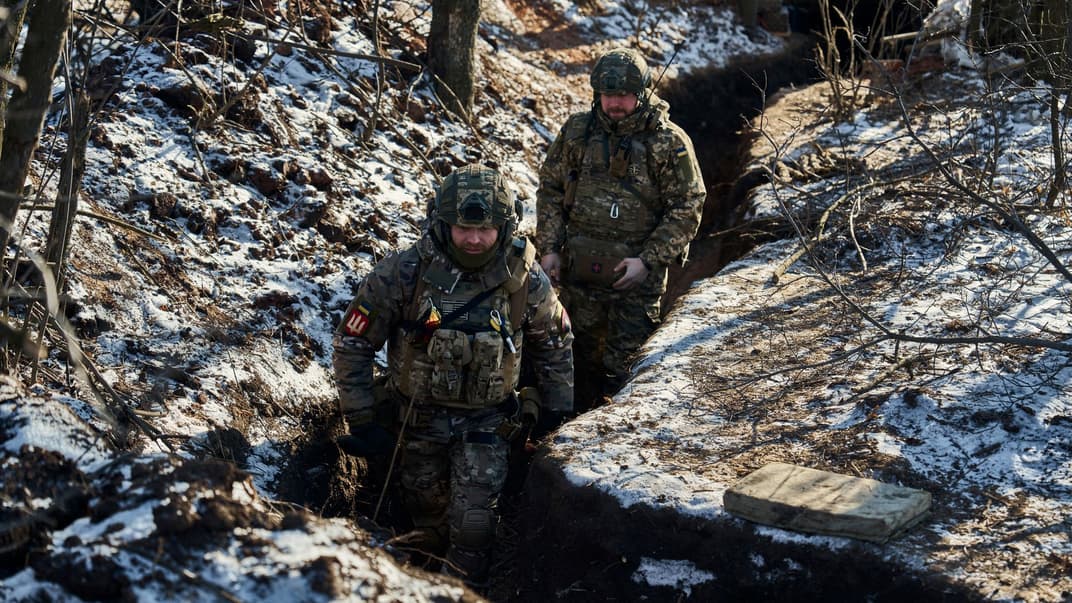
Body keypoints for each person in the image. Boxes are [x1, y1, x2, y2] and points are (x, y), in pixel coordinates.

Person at [332, 164, 574, 589]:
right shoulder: (405, 274)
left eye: (486, 230)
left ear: (506, 226)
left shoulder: (524, 279)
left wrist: (557, 412)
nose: (475, 240)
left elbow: (554, 345)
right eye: (464, 229)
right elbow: (353, 344)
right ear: (443, 223)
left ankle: (461, 591)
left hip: (487, 423)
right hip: (416, 422)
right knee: (425, 514)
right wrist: (363, 419)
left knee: (474, 525)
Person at [535, 47, 706, 409]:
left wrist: (646, 260)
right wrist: (549, 248)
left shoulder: (668, 143)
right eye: (607, 94)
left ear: (641, 93)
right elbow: (550, 189)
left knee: (624, 369)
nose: (614, 103)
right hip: (578, 274)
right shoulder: (577, 134)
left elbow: (688, 206)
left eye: (623, 95)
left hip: (635, 282)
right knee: (572, 359)